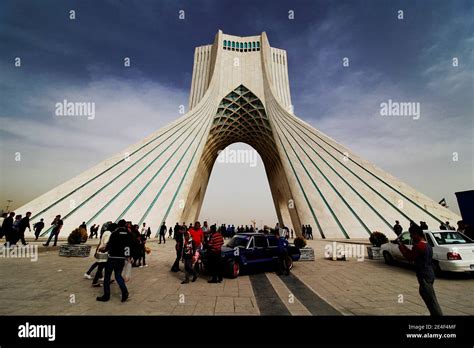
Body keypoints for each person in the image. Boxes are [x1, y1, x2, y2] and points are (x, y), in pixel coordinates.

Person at [398, 222, 443, 316]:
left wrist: (401, 247)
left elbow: (409, 257)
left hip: (423, 274)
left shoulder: (419, 246)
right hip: (429, 273)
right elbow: (413, 254)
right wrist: (404, 246)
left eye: (411, 235)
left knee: (431, 300)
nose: (411, 237)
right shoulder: (427, 245)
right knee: (427, 295)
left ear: (415, 234)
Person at [97, 219, 133, 302]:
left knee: (107, 276)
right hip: (121, 259)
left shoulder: (114, 233)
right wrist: (129, 256)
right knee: (118, 275)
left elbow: (109, 245)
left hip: (112, 258)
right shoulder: (128, 234)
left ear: (118, 225)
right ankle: (125, 292)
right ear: (124, 225)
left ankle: (106, 296)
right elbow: (131, 246)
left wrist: (104, 250)